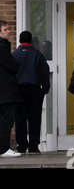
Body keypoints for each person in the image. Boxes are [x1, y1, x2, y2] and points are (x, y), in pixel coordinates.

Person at [12, 31, 50, 154]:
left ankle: (21, 146)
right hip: (34, 90)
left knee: (19, 119)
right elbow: (45, 72)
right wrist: (45, 88)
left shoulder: (14, 55)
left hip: (18, 91)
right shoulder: (38, 55)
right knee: (35, 118)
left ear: (19, 40)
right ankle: (34, 147)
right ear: (31, 41)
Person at [0, 20, 22, 158]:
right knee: (6, 121)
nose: (9, 31)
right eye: (5, 29)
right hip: (5, 91)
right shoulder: (2, 48)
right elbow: (14, 66)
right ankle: (3, 148)